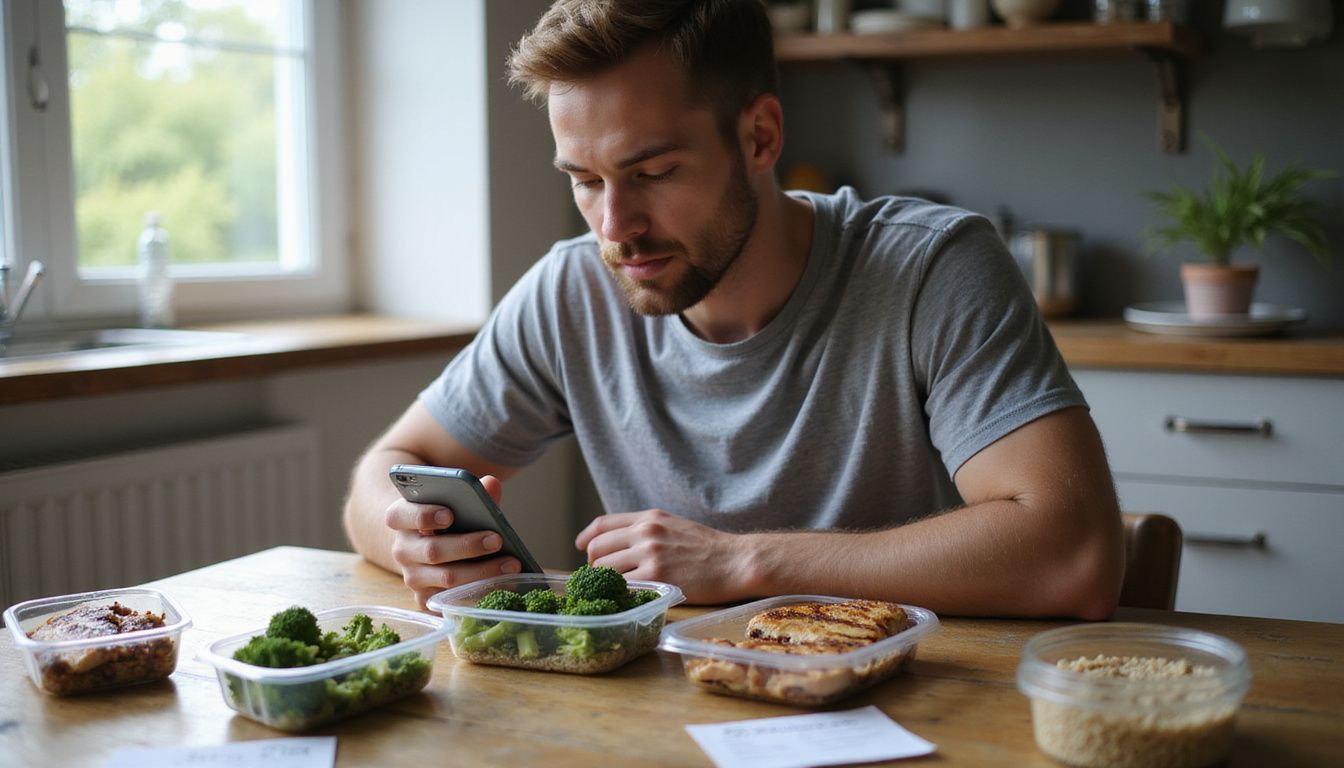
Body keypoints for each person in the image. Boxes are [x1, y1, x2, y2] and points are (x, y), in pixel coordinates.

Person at [342, 0, 1124, 618]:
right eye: (584, 179)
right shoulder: (571, 290)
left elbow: (1075, 554)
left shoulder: (931, 268)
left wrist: (742, 561)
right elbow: (385, 471)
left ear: (760, 136)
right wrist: (409, 538)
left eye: (651, 171)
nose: (615, 228)